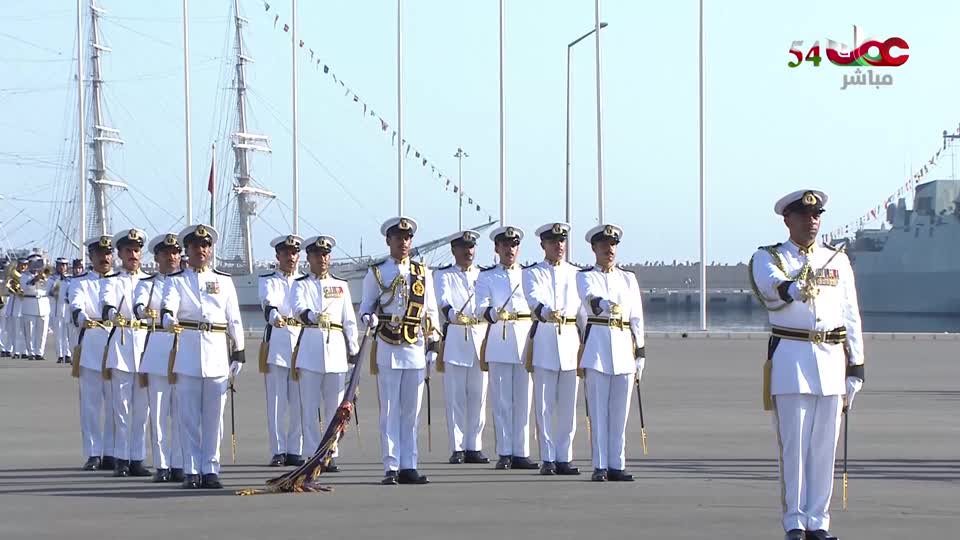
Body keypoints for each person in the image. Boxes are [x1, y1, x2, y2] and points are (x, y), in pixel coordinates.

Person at [749, 190, 865, 540]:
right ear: (788, 220)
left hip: (831, 359)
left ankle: (819, 521)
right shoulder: (771, 256)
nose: (811, 222)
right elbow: (768, 285)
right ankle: (795, 521)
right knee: (794, 445)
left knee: (824, 447)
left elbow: (851, 314)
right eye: (803, 216)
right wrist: (792, 289)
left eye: (816, 216)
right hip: (792, 357)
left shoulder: (837, 260)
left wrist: (856, 365)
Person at [160, 224, 245, 489]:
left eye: (205, 246)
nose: (201, 250)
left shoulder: (224, 281)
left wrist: (239, 351)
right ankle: (191, 469)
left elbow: (234, 319)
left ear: (210, 250)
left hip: (218, 352)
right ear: (187, 250)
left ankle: (210, 468)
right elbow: (168, 305)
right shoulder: (176, 280)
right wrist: (167, 318)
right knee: (188, 417)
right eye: (196, 246)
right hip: (187, 350)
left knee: (214, 417)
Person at [359, 216, 440, 485]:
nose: (403, 242)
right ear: (388, 241)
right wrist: (368, 319)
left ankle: (409, 465)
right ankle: (391, 465)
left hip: (415, 346)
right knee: (390, 410)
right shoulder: (377, 272)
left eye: (407, 238)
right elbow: (366, 307)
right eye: (398, 238)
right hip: (389, 345)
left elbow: (430, 311)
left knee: (411, 411)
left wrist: (434, 346)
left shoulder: (422, 272)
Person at [576, 224, 646, 482]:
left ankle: (617, 463)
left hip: (623, 349)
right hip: (598, 349)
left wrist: (640, 353)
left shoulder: (628, 278)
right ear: (594, 248)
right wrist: (605, 304)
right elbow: (590, 300)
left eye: (613, 245)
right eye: (604, 246)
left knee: (620, 412)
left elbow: (636, 317)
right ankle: (600, 465)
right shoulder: (585, 276)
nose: (609, 250)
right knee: (598, 410)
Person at [291, 234, 359, 472]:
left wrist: (354, 352)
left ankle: (330, 452)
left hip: (337, 351)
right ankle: (312, 453)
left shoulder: (341, 285)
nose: (322, 258)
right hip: (310, 348)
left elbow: (349, 321)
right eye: (317, 255)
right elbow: (298, 308)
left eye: (326, 254)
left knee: (334, 408)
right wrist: (310, 315)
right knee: (309, 407)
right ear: (309, 258)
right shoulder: (300, 284)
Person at [474, 226, 539, 471]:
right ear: (497, 248)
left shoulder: (529, 274)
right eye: (505, 245)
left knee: (523, 399)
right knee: (501, 400)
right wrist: (492, 312)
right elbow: (480, 307)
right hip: (500, 337)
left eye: (513, 245)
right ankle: (504, 451)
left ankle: (521, 451)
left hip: (523, 336)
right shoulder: (487, 276)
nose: (510, 249)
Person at [523, 222, 582, 476]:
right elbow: (534, 299)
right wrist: (547, 312)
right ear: (543, 245)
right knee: (544, 404)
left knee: (568, 405)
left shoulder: (577, 273)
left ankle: (564, 457)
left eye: (562, 241)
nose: (559, 246)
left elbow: (583, 314)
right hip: (546, 338)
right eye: (553, 242)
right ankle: (547, 457)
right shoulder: (533, 272)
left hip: (570, 339)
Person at [434, 230, 489, 465]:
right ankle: (457, 447)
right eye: (464, 248)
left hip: (480, 337)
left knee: (478, 396)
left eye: (472, 247)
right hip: (456, 337)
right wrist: (451, 315)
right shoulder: (444, 275)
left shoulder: (484, 275)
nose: (468, 252)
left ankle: (474, 446)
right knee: (456, 397)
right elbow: (443, 301)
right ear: (454, 250)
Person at [134, 232, 184, 483]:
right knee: (159, 411)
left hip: (184, 351)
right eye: (167, 253)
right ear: (157, 257)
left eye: (176, 252)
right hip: (157, 350)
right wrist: (145, 311)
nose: (172, 257)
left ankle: (180, 462)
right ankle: (162, 464)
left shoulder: (187, 281)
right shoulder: (148, 282)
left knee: (182, 411)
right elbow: (139, 306)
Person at [102, 228, 151, 478]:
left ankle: (137, 458)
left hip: (144, 346)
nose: (133, 254)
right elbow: (107, 304)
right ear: (119, 254)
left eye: (137, 250)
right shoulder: (112, 280)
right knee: (120, 408)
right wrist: (112, 314)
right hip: (121, 345)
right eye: (128, 250)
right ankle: (121, 458)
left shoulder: (150, 281)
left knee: (142, 410)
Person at [70, 235, 117, 471]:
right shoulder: (80, 282)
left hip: (118, 344)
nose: (105, 257)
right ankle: (93, 452)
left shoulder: (120, 281)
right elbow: (76, 304)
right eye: (100, 254)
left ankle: (111, 452)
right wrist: (80, 317)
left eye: (108, 253)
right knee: (90, 404)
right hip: (91, 344)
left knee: (115, 403)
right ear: (91, 257)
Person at [258, 234, 306, 467]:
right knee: (276, 402)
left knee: (299, 401)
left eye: (294, 253)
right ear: (277, 256)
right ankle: (278, 450)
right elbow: (269, 302)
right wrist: (274, 315)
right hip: (277, 341)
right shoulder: (269, 280)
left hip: (302, 343)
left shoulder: (305, 281)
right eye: (286, 253)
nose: (290, 257)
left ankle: (295, 449)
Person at [19, 254, 50, 361]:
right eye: (34, 264)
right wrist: (34, 280)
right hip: (30, 304)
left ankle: (39, 353)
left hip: (43, 304)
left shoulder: (46, 275)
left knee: (42, 332)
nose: (36, 266)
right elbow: (24, 287)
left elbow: (50, 288)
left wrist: (43, 278)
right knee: (30, 331)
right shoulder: (24, 276)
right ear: (30, 264)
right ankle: (31, 352)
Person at [47, 258, 71, 363]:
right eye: (60, 265)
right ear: (56, 266)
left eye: (64, 265)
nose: (62, 267)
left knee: (67, 334)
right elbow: (50, 293)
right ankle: (60, 355)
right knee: (58, 335)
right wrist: (58, 282)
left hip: (67, 310)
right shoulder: (52, 279)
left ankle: (68, 354)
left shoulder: (71, 278)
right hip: (57, 309)